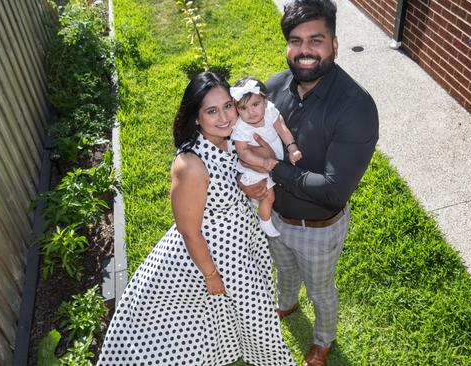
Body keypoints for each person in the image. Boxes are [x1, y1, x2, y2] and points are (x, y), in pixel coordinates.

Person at [98, 72, 295, 366]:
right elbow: (189, 232)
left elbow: (250, 167)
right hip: (213, 256)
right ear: (195, 118)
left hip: (240, 241)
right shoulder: (189, 164)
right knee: (256, 320)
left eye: (229, 106)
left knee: (239, 313)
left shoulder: (229, 140)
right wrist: (212, 276)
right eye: (212, 111)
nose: (225, 116)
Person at [239, 1, 379, 365]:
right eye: (296, 40)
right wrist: (250, 182)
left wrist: (272, 166)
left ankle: (323, 340)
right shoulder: (273, 89)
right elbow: (242, 140)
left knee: (320, 290)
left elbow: (332, 190)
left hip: (317, 226)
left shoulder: (356, 107)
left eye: (316, 40)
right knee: (283, 270)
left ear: (334, 43)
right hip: (274, 217)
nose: (304, 50)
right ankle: (286, 303)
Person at [230, 76, 302, 238]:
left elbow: (282, 128)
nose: (250, 112)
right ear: (237, 109)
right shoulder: (242, 127)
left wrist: (292, 148)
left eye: (255, 104)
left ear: (265, 100)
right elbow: (243, 152)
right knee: (268, 195)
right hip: (254, 165)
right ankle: (265, 221)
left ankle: (254, 203)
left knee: (273, 187)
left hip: (272, 160)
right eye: (243, 108)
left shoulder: (270, 111)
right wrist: (263, 162)